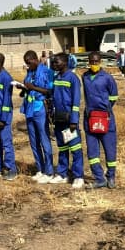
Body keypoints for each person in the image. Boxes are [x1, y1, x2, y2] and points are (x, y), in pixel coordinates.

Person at [82, 51, 119, 189]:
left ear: (100, 62)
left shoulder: (107, 78)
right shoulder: (85, 76)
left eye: (96, 62)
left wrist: (105, 108)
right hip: (90, 118)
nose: (94, 64)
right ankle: (99, 178)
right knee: (92, 151)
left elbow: (114, 96)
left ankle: (111, 177)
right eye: (91, 62)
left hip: (105, 118)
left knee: (110, 149)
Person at [50, 52, 84, 188]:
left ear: (64, 62)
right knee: (62, 147)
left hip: (69, 120)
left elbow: (76, 101)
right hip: (58, 119)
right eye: (53, 62)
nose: (54, 64)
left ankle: (78, 176)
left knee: (75, 148)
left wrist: (74, 121)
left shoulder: (73, 78)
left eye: (56, 62)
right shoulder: (56, 77)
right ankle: (62, 174)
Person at [21, 49, 54, 183]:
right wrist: (23, 88)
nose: (28, 65)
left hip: (40, 108)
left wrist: (33, 88)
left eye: (29, 62)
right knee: (34, 141)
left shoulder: (47, 72)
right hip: (29, 108)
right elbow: (27, 86)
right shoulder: (30, 72)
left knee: (44, 139)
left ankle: (49, 171)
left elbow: (49, 91)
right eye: (26, 63)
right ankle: (40, 169)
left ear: (35, 59)